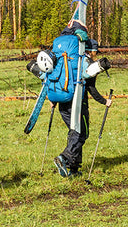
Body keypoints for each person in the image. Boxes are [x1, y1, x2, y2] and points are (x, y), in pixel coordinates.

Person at [50, 20, 111, 178]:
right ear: (91, 50)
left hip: (62, 101)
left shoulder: (70, 60)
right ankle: (65, 158)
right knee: (81, 133)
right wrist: (105, 101)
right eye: (95, 51)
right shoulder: (86, 63)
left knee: (74, 134)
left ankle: (73, 169)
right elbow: (91, 89)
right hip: (78, 103)